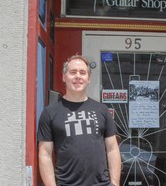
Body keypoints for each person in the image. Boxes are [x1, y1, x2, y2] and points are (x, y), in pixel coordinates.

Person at [37, 55, 121, 186]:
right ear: (64, 77)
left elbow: (112, 148)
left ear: (88, 79)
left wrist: (115, 183)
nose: (78, 76)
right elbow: (44, 154)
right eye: (72, 72)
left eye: (82, 72)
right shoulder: (50, 113)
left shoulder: (102, 110)